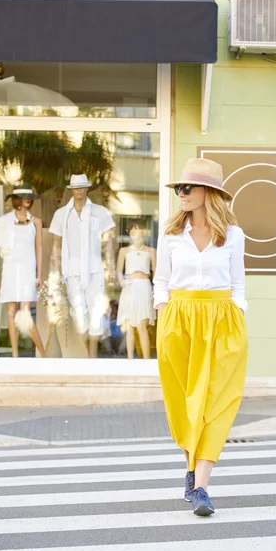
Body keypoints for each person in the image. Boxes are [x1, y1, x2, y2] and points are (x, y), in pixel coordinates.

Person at [154, 158, 248, 516]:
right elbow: (161, 282)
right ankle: (191, 472)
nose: (181, 194)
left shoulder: (233, 235)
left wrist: (237, 317)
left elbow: (238, 284)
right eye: (179, 188)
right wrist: (164, 314)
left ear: (208, 193)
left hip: (222, 320)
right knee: (184, 402)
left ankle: (202, 487)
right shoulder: (170, 235)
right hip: (179, 319)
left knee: (217, 401)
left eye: (187, 188)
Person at [49, 174, 116, 358]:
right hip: (71, 272)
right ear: (71, 190)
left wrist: (110, 267)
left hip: (95, 269)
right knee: (79, 316)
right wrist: (54, 273)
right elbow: (56, 245)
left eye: (82, 187)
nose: (79, 191)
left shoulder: (100, 212)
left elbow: (109, 241)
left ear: (87, 188)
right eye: (76, 188)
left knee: (95, 313)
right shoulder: (61, 214)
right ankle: (88, 356)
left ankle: (92, 358)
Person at [0, 185, 45, 357]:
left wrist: (38, 275)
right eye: (24, 196)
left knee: (25, 314)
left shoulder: (36, 222)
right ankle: (15, 356)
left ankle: (44, 355)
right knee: (11, 312)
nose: (28, 200)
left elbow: (38, 248)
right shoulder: (4, 221)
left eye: (29, 197)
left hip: (27, 271)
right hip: (10, 269)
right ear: (17, 199)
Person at [116, 223, 156, 359]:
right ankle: (130, 360)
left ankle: (146, 360)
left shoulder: (151, 251)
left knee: (142, 326)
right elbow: (119, 271)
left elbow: (156, 272)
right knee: (129, 327)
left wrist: (155, 289)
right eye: (133, 231)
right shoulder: (124, 251)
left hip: (144, 287)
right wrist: (122, 282)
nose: (136, 233)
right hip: (130, 287)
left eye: (138, 230)